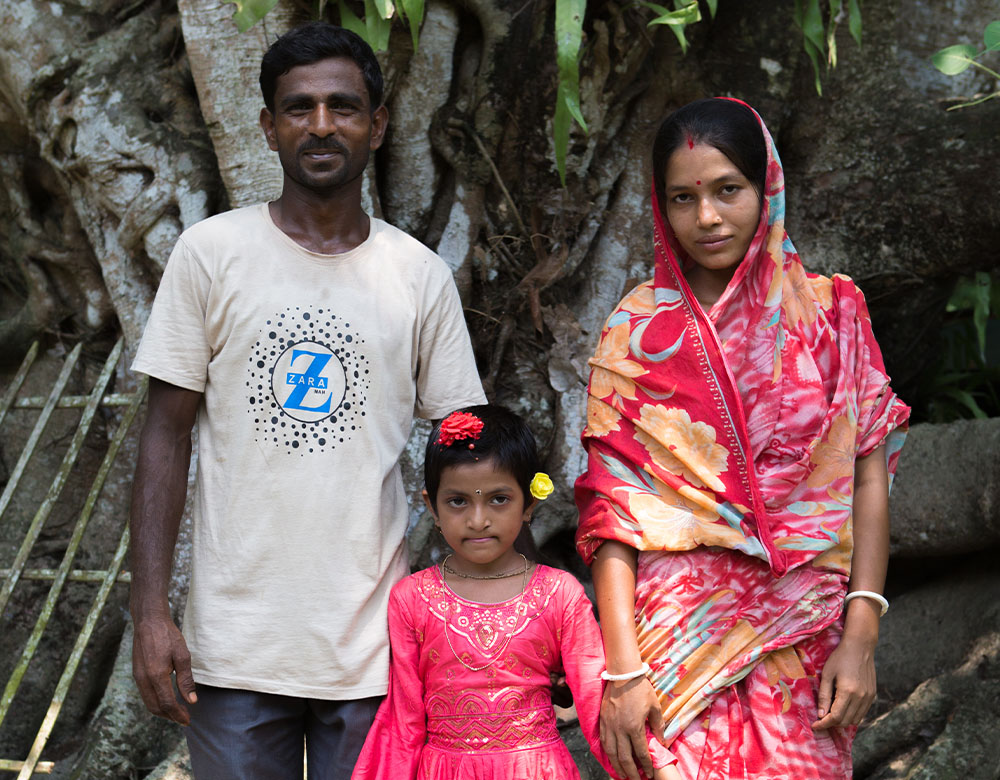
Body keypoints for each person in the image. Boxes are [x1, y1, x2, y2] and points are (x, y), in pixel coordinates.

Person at [128, 22, 485, 779]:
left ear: (378, 125)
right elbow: (164, 434)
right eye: (298, 108)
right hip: (234, 648)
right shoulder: (211, 255)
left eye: (343, 106)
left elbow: (467, 448)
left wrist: (471, 611)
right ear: (267, 125)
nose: (321, 125)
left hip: (376, 649)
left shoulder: (417, 276)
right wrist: (150, 612)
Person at [574, 98, 910, 780]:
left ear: (767, 188)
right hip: (672, 641)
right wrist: (623, 670)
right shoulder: (634, 331)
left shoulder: (833, 312)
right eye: (682, 197)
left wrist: (863, 634)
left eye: (728, 189)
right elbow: (611, 513)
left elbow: (868, 474)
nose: (706, 217)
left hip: (808, 636)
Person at [351, 405, 678, 780]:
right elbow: (403, 721)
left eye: (498, 499)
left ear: (529, 504)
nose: (478, 519)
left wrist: (661, 770)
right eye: (458, 501)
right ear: (432, 507)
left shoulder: (560, 594)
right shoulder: (410, 599)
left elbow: (594, 703)